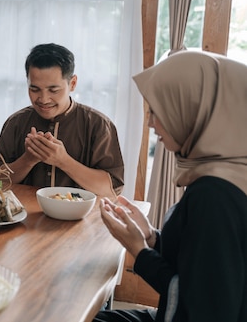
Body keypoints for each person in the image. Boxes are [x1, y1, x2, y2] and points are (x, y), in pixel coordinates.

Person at [94, 51, 247, 322]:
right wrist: (152, 237)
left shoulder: (215, 195)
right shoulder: (226, 171)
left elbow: (204, 307)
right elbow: (203, 266)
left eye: (158, 111)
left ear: (192, 109)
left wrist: (139, 250)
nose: (151, 123)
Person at [0, 43, 124, 198]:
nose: (43, 99)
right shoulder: (15, 123)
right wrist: (28, 159)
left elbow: (111, 190)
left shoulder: (98, 125)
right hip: (24, 218)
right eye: (34, 89)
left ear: (73, 84)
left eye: (53, 90)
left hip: (81, 220)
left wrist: (63, 161)